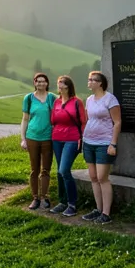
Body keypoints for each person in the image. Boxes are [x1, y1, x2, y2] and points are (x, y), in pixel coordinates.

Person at [80, 70, 121, 224]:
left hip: (104, 143)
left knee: (102, 177)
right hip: (89, 141)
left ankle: (106, 213)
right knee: (93, 177)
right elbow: (88, 119)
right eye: (89, 79)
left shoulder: (110, 99)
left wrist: (113, 143)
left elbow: (117, 122)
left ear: (100, 83)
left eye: (92, 79)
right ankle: (98, 209)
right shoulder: (90, 99)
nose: (89, 82)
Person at [49, 74, 87, 217]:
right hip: (57, 138)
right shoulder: (57, 102)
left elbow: (83, 122)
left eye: (63, 83)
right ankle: (62, 201)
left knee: (65, 169)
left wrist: (81, 138)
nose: (59, 85)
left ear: (68, 86)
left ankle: (72, 203)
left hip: (72, 138)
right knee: (59, 170)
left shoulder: (77, 102)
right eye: (58, 82)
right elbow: (53, 120)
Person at [20, 73, 57, 210]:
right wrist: (23, 138)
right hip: (32, 137)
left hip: (48, 137)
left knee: (46, 169)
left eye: (44, 81)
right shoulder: (28, 98)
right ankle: (35, 198)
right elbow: (25, 119)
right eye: (38, 81)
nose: (41, 84)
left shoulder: (52, 98)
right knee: (34, 169)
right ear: (34, 83)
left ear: (47, 83)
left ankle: (45, 197)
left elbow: (56, 117)